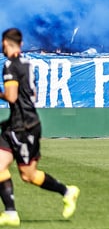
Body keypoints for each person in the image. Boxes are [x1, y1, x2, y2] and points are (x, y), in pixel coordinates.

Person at [0, 28, 80, 225]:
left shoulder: (10, 65)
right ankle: (10, 213)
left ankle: (67, 191)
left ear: (6, 43)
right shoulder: (27, 62)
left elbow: (11, 96)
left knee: (28, 175)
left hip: (24, 126)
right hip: (15, 123)